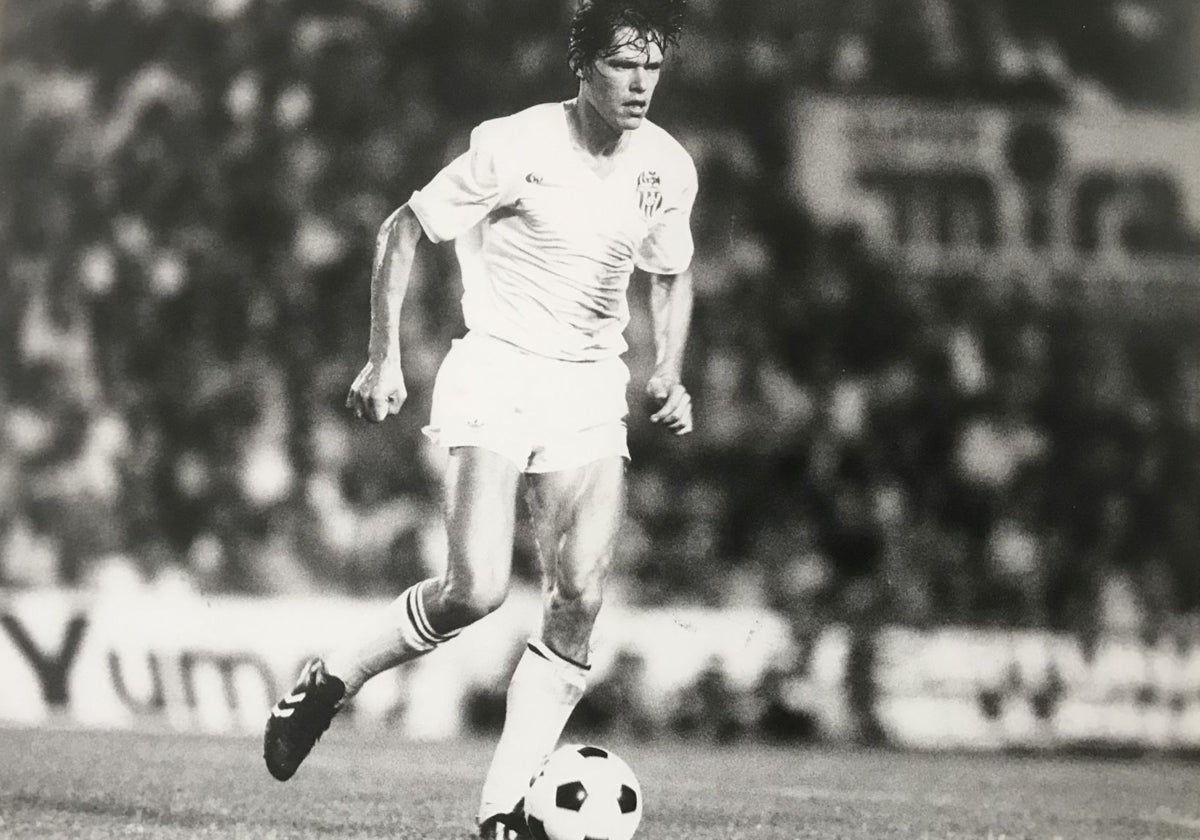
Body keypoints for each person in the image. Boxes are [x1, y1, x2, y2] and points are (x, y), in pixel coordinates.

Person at [264, 1, 695, 837]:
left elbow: (672, 268)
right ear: (582, 64)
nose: (640, 82)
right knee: (478, 590)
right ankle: (333, 679)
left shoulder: (668, 167)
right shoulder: (514, 145)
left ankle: (501, 814)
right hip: (496, 369)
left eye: (652, 64)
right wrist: (384, 355)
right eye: (621, 63)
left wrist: (669, 368)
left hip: (588, 389)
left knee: (580, 597)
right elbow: (403, 228)